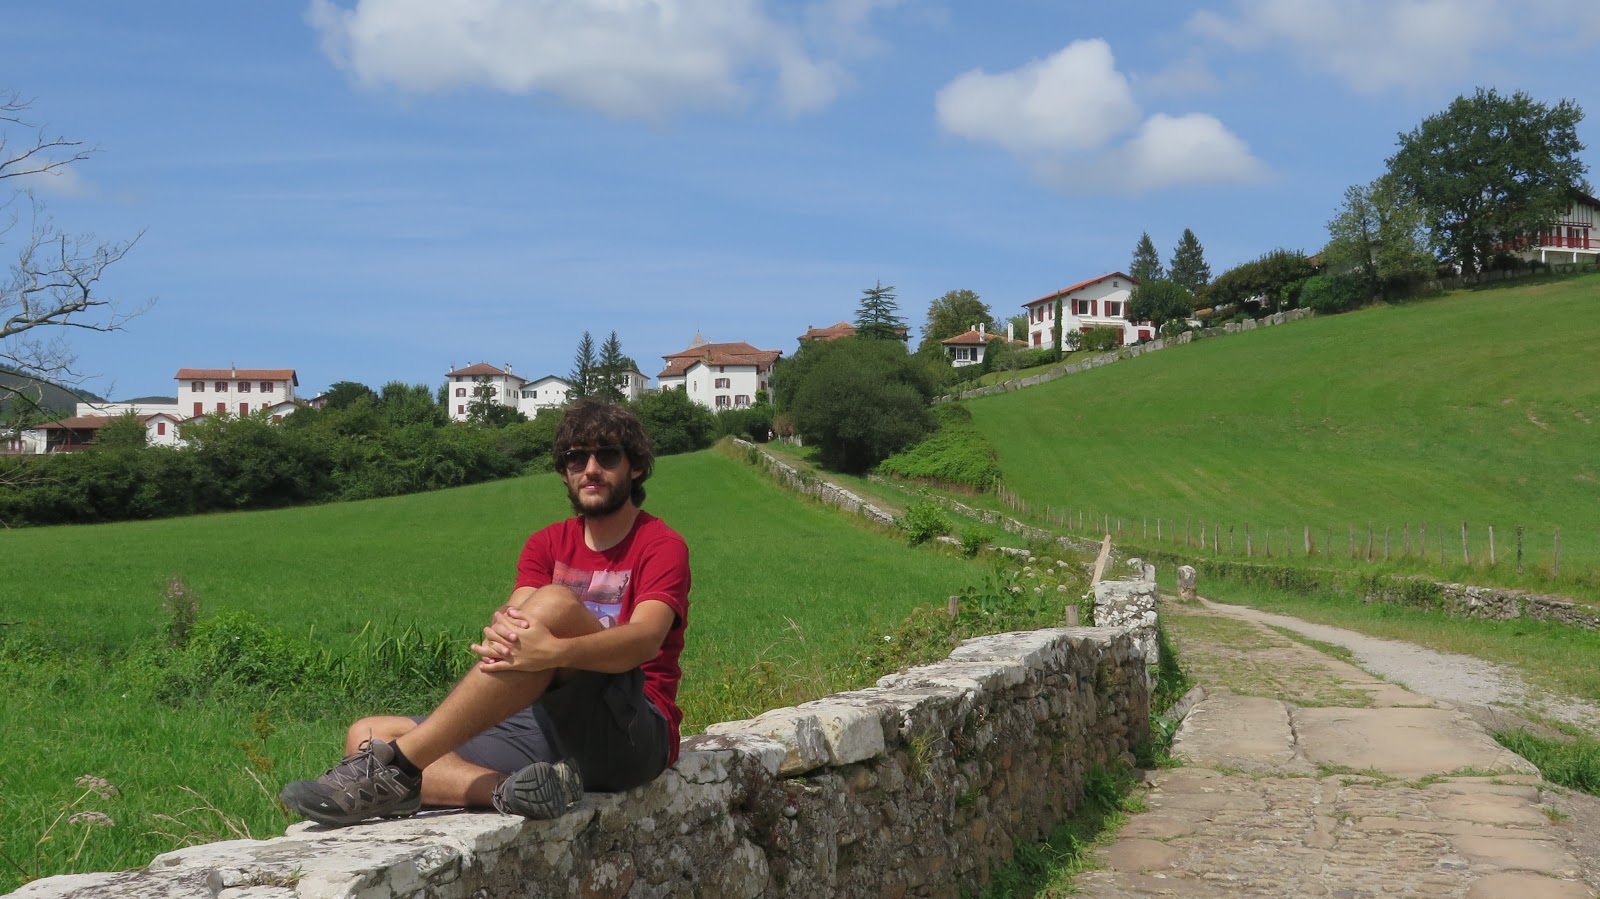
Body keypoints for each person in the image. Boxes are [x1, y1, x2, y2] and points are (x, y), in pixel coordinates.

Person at [280, 399, 690, 827]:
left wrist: (555, 652)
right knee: (366, 734)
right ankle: (510, 790)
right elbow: (515, 620)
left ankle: (400, 765)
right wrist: (515, 633)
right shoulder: (547, 543)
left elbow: (646, 639)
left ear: (635, 467)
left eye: (606, 456)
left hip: (630, 734)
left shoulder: (660, 544)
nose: (590, 469)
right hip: (546, 723)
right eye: (576, 458)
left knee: (555, 603)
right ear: (564, 471)